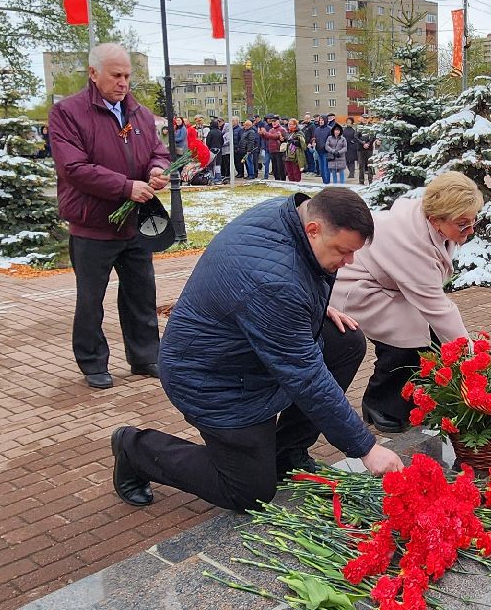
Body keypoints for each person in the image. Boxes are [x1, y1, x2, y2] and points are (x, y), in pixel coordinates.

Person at [111, 187, 403, 509]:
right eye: (342, 251)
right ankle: (134, 448)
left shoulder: (293, 212)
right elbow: (305, 376)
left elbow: (291, 283)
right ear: (314, 229)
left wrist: (312, 308)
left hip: (243, 349)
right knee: (250, 492)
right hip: (211, 378)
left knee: (345, 342)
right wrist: (365, 448)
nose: (348, 262)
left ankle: (286, 453)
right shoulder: (275, 282)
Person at [47, 42, 171, 389]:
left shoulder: (140, 114)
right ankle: (92, 361)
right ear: (93, 73)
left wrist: (158, 169)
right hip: (93, 224)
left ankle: (146, 355)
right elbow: (73, 167)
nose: (123, 83)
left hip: (134, 221)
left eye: (127, 75)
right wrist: (124, 186)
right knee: (91, 299)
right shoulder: (68, 113)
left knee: (141, 293)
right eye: (116, 75)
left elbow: (157, 153)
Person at [332, 173, 479, 433]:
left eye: (474, 220)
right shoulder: (411, 244)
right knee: (408, 336)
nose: (471, 229)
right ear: (436, 220)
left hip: (384, 284)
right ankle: (380, 404)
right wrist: (472, 356)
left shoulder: (431, 224)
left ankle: (410, 400)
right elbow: (437, 307)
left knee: (428, 335)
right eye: (463, 224)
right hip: (355, 287)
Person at [343, 117, 365, 183]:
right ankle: (350, 171)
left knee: (351, 160)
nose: (348, 122)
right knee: (346, 160)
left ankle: (352, 173)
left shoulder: (354, 129)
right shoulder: (344, 129)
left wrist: (353, 141)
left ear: (352, 121)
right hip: (345, 146)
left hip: (352, 146)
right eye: (347, 121)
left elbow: (356, 137)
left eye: (349, 121)